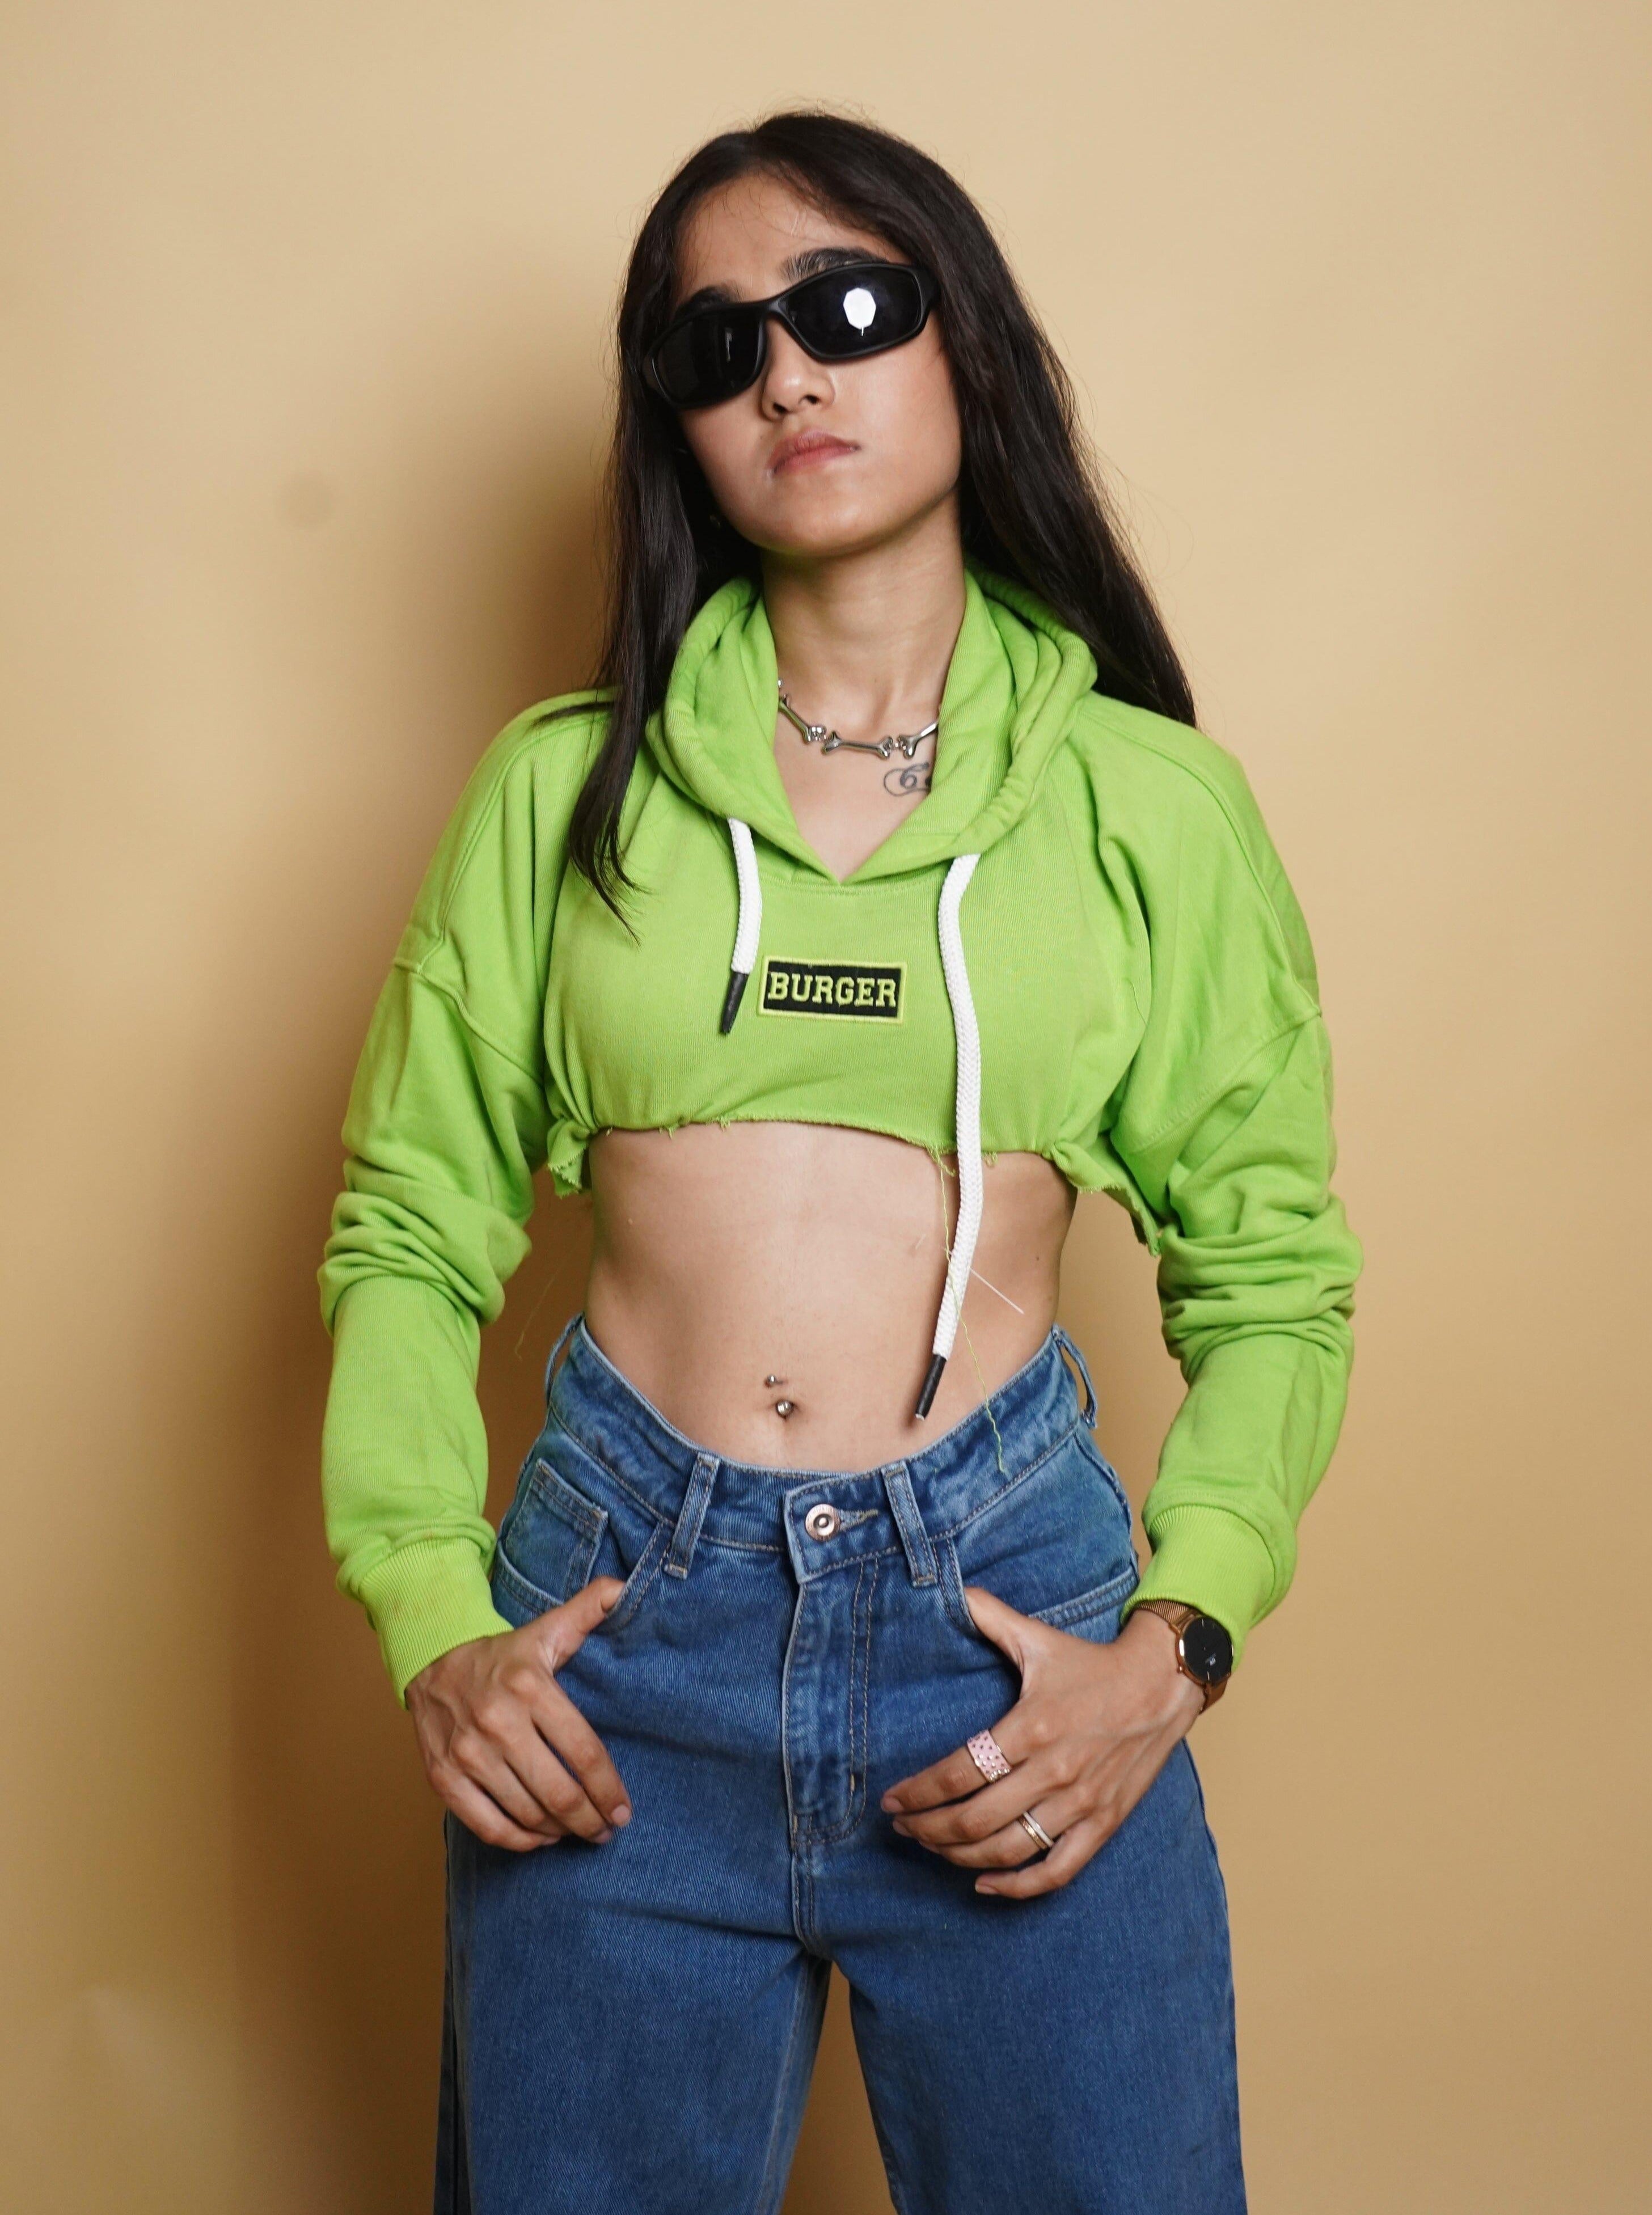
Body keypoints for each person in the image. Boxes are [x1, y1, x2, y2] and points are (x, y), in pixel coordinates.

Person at [317, 107, 1362, 2215]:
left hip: (1004, 1642)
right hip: (617, 1651)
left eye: (846, 307)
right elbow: (411, 1229)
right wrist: (432, 1610)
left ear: (964, 338)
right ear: (679, 425)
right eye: (717, 346)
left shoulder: (1148, 806)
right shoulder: (565, 792)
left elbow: (1273, 1276)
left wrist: (1176, 1643)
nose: (787, 373)